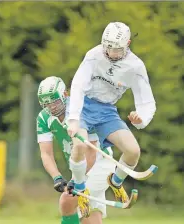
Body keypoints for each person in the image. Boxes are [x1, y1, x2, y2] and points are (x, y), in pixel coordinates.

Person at [37, 76, 158, 224]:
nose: (51, 107)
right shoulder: (43, 118)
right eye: (46, 103)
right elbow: (46, 154)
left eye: (54, 101)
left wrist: (77, 180)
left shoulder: (81, 112)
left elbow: (90, 153)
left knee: (67, 201)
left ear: (64, 95)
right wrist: (57, 177)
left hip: (100, 164)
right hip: (81, 170)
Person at [67, 21, 156, 205]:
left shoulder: (135, 66)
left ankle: (115, 182)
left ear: (128, 44)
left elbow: (146, 101)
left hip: (107, 112)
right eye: (108, 48)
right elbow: (78, 84)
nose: (111, 53)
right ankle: (79, 186)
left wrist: (141, 118)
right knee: (80, 145)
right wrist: (74, 118)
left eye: (117, 49)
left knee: (133, 151)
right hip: (84, 106)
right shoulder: (94, 55)